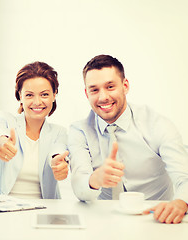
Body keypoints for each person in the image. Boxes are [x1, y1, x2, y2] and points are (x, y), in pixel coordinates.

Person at [68, 54, 188, 223]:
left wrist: (181, 202)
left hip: (154, 219)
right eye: (94, 90)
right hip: (103, 221)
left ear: (125, 86)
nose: (103, 97)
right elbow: (79, 186)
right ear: (87, 93)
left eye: (110, 87)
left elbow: (185, 177)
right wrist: (96, 178)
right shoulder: (79, 131)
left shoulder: (158, 125)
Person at [0, 61, 69, 199]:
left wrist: (57, 162)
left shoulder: (59, 132)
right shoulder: (5, 119)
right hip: (1, 209)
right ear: (20, 96)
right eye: (29, 95)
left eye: (44, 95)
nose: (37, 102)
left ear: (54, 95)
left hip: (44, 211)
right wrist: (2, 142)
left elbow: (58, 151)